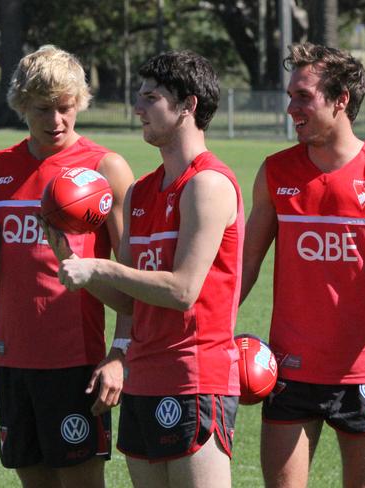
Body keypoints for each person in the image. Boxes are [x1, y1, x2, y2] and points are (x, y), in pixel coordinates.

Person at [0, 45, 134, 488]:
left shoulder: (105, 168)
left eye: (66, 108)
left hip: (77, 360)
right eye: (43, 109)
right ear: (21, 105)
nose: (56, 121)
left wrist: (120, 355)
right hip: (12, 356)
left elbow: (134, 276)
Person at [46, 50, 244, 488]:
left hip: (195, 377)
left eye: (151, 97)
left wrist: (101, 267)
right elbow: (130, 301)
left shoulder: (207, 184)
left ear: (188, 106)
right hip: (143, 377)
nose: (137, 108)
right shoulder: (139, 193)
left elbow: (182, 290)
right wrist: (73, 262)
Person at [240, 42, 365, 487]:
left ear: (340, 99)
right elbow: (244, 263)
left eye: (303, 96)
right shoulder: (274, 173)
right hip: (288, 368)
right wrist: (212, 331)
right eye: (290, 95)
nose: (290, 107)